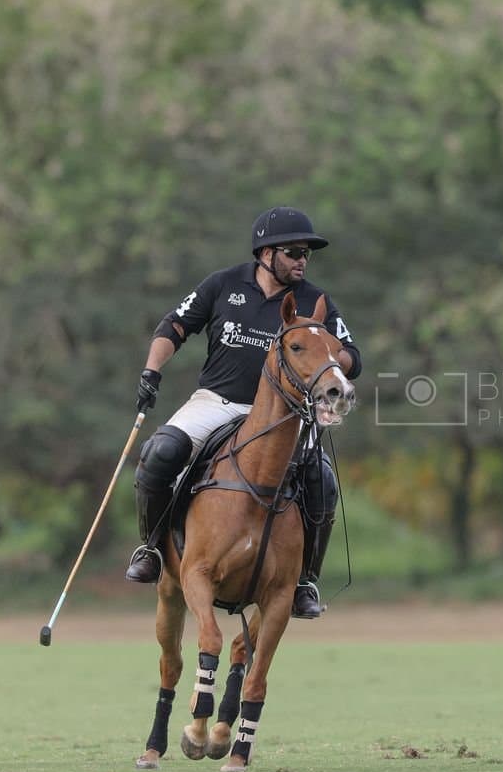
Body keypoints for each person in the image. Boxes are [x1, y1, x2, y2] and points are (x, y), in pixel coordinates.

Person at [125, 207, 362, 619]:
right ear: (266, 253)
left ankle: (304, 579)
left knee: (322, 480)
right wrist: (151, 371)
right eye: (293, 252)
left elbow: (352, 357)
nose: (302, 260)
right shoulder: (223, 284)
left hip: (286, 415)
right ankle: (153, 549)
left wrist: (326, 357)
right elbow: (174, 326)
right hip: (218, 402)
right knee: (161, 452)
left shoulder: (314, 301)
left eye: (306, 253)